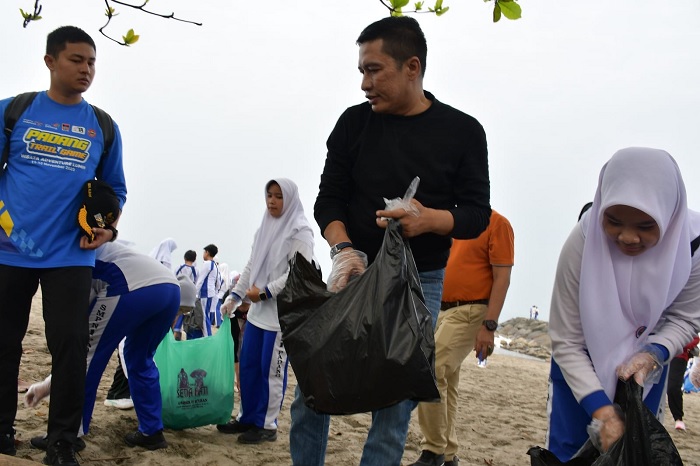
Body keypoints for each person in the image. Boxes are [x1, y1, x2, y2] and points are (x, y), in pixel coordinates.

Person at [291, 16, 491, 466]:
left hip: (420, 281)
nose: (365, 83)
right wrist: (343, 251)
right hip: (353, 272)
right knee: (312, 385)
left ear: (412, 67)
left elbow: (476, 214)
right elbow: (330, 199)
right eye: (362, 70)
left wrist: (427, 219)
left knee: (394, 407)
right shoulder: (353, 124)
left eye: (374, 69)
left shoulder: (463, 131)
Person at [0, 26, 126, 464]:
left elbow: (116, 191)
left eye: (91, 62)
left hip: (72, 255)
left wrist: (107, 228)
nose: (86, 69)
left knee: (71, 348)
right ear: (51, 61)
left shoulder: (103, 127)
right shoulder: (13, 112)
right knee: (4, 342)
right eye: (76, 60)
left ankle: (62, 443)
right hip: (9, 249)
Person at [546, 147, 700, 462]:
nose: (628, 237)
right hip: (579, 363)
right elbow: (566, 339)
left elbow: (686, 319)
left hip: (645, 370)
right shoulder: (585, 239)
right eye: (614, 221)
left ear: (669, 215)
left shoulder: (693, 244)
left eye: (645, 226)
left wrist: (654, 354)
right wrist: (601, 410)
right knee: (567, 453)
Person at [25, 241, 183, 452]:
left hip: (130, 286)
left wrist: (46, 385)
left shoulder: (67, 257)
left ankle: (71, 433)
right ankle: (151, 432)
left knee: (88, 356)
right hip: (170, 289)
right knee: (139, 359)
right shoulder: (100, 246)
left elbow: (83, 348)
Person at [411, 210, 514, 466]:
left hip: (471, 311)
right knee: (448, 382)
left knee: (430, 370)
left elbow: (503, 277)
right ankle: (447, 455)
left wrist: (489, 326)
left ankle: (433, 451)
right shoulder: (451, 224)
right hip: (440, 308)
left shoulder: (498, 224)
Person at [217, 178, 315, 445]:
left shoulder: (300, 231)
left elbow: (298, 272)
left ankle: (268, 425)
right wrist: (235, 296)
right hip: (257, 315)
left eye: (278, 196)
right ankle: (248, 417)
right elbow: (251, 265)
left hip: (281, 316)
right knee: (248, 367)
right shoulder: (264, 228)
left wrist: (265, 291)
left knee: (270, 371)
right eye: (269, 195)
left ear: (291, 199)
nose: (272, 201)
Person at [667, 336, 700, 431]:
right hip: (655, 352)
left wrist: (679, 344)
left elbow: (695, 337)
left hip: (679, 356)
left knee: (673, 387)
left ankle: (678, 418)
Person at [193, 244, 221, 338]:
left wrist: (195, 293)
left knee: (205, 318)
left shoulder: (207, 264)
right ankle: (207, 336)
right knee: (207, 316)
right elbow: (218, 282)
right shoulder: (215, 265)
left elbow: (200, 281)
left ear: (207, 252)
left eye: (204, 252)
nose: (203, 254)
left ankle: (207, 338)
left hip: (205, 293)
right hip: (211, 293)